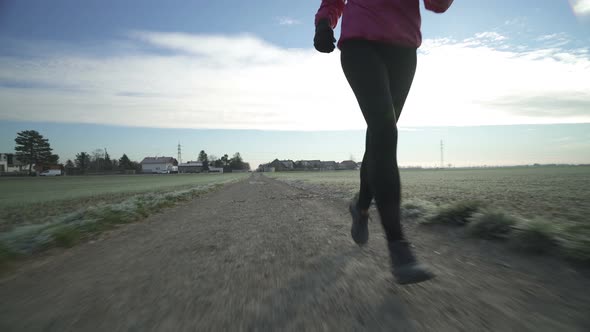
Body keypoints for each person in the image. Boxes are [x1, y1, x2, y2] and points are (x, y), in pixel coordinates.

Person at [314, 0, 454, 285]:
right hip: (359, 43)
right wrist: (324, 22)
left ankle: (361, 206)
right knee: (385, 132)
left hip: (403, 48)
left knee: (380, 136)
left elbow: (437, 5)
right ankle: (398, 247)